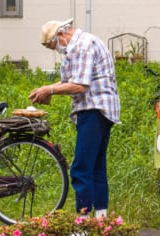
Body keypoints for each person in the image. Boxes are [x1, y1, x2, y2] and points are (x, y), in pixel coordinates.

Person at [29, 19, 120, 217]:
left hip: (94, 108)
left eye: (54, 45)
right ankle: (101, 219)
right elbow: (70, 81)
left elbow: (80, 85)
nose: (56, 50)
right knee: (96, 166)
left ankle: (84, 222)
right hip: (102, 110)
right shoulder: (84, 44)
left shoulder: (82, 46)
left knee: (81, 168)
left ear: (61, 35)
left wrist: (50, 89)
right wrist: (49, 91)